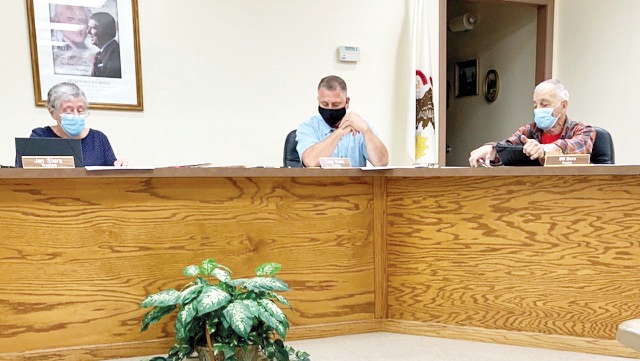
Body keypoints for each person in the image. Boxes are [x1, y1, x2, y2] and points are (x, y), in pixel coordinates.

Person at [468, 79, 595, 167]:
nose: (538, 110)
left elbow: (579, 147)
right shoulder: (529, 130)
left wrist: (544, 150)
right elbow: (507, 147)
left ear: (563, 105)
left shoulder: (583, 129)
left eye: (544, 104)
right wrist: (492, 149)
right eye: (535, 105)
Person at [17, 82, 127, 167]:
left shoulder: (98, 139)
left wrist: (120, 166)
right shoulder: (41, 136)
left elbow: (112, 174)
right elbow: (25, 173)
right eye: (68, 111)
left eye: (80, 110)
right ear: (53, 113)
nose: (75, 115)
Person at [296, 75, 389, 167]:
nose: (330, 108)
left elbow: (381, 162)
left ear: (347, 102)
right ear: (318, 101)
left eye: (336, 104)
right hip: (321, 182)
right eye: (324, 104)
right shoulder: (308, 127)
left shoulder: (361, 126)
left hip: (355, 182)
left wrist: (366, 130)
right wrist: (340, 132)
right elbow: (310, 161)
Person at [50, 4, 93, 76]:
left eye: (82, 21)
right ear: (57, 22)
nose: (78, 26)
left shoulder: (93, 53)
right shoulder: (53, 52)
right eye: (70, 20)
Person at [87, 12, 122, 78]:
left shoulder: (114, 55)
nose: (88, 31)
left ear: (106, 31)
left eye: (93, 28)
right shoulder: (105, 53)